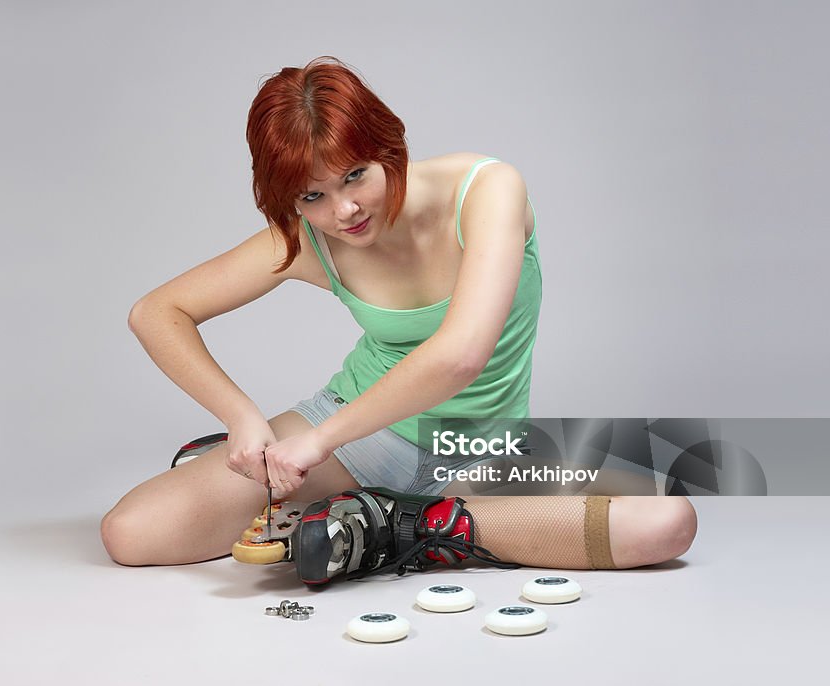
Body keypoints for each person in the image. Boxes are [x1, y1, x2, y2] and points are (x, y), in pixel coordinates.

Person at [101, 57, 697, 578]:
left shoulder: (487, 189)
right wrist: (243, 419)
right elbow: (157, 312)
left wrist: (316, 443)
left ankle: (391, 525)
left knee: (665, 523)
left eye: (355, 175)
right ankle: (383, 516)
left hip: (481, 452)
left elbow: (461, 355)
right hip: (357, 433)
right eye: (313, 196)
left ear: (388, 148)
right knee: (131, 533)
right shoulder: (308, 240)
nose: (345, 210)